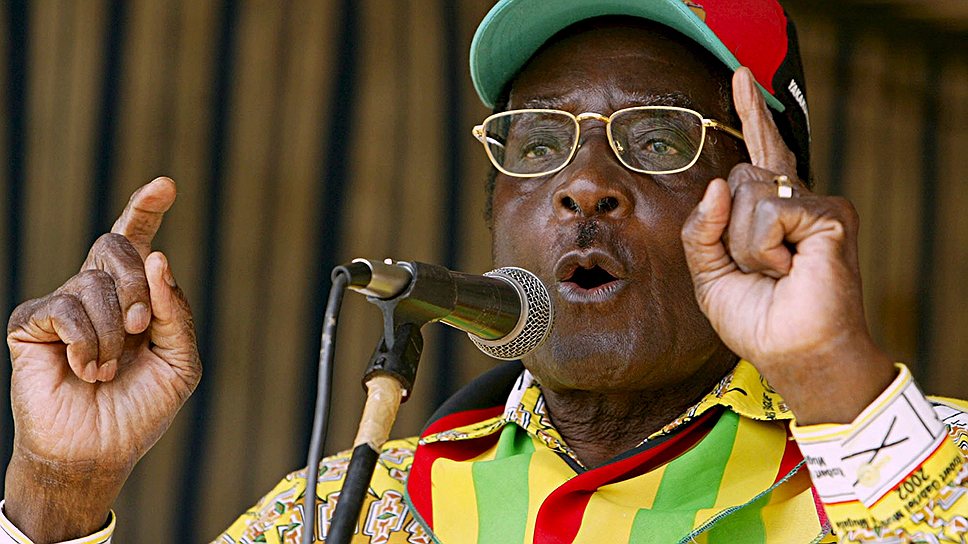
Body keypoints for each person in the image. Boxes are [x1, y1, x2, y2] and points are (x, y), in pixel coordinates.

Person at [3, 0, 967, 542]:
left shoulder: (910, 464)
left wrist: (831, 373)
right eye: (539, 142)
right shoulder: (358, 514)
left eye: (658, 138)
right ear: (493, 208)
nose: (584, 185)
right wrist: (58, 492)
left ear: (771, 197)